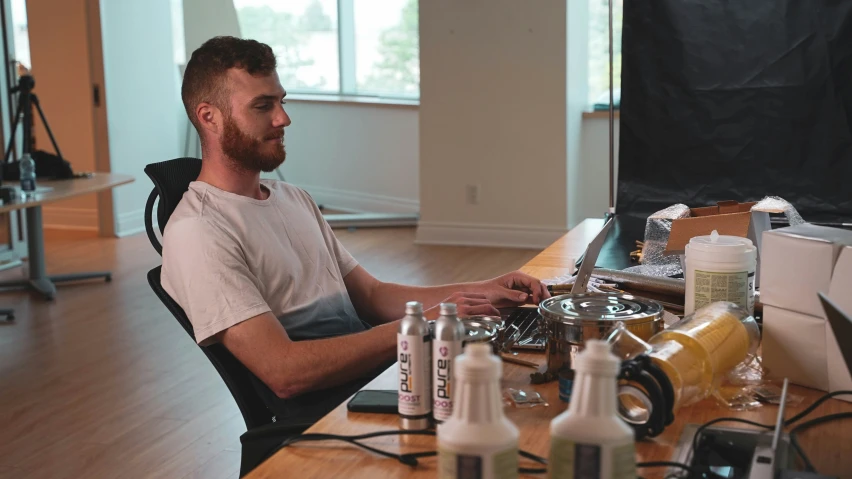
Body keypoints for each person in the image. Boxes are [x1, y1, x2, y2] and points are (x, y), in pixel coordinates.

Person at [162, 36, 550, 422]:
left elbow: (372, 295)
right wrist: (426, 323)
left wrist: (482, 291)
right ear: (208, 116)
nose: (283, 119)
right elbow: (285, 373)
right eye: (263, 106)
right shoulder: (199, 231)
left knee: (535, 385)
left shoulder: (291, 197)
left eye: (282, 101)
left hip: (382, 375)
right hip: (335, 412)